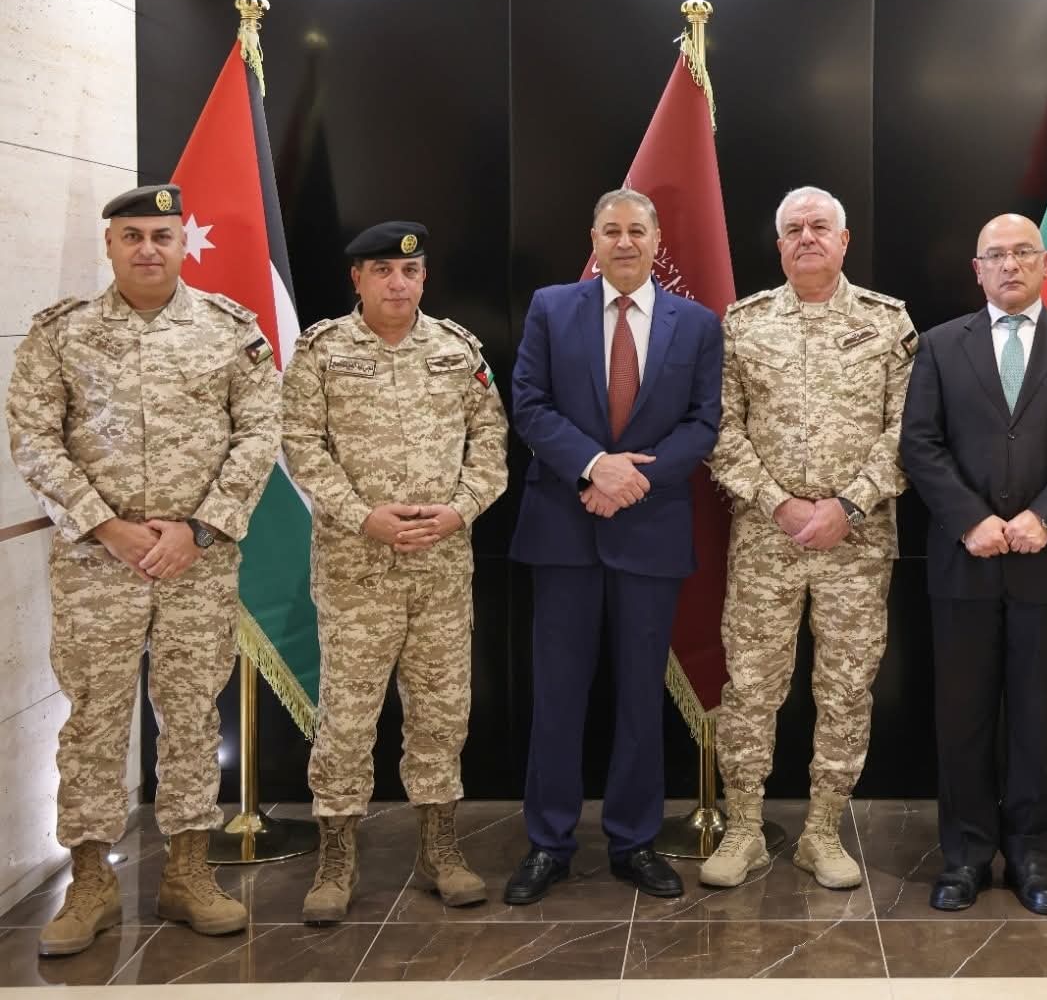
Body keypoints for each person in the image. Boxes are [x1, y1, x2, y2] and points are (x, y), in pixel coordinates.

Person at [6, 184, 281, 955]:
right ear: (110, 245)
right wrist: (108, 527)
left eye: (163, 235)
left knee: (191, 716)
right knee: (94, 719)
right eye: (132, 236)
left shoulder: (230, 330)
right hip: (97, 565)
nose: (148, 249)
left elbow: (261, 432)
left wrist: (200, 528)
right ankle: (91, 882)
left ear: (182, 242)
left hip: (198, 562)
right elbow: (33, 437)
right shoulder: (63, 333)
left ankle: (187, 873)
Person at [280, 221, 509, 924]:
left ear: (424, 277)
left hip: (439, 568)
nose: (397, 283)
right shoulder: (321, 352)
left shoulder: (457, 351)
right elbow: (299, 446)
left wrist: (460, 510)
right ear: (357, 279)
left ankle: (439, 848)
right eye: (381, 271)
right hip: (356, 570)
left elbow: (492, 442)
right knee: (347, 718)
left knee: (441, 714)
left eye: (409, 271)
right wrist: (362, 516)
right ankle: (336, 857)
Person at [900, 213, 1047, 914]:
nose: (1009, 264)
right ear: (977, 270)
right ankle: (965, 855)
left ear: (1045, 263)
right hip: (963, 559)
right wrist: (970, 519)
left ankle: (1031, 855)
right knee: (962, 715)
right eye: (995, 254)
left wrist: (1043, 516)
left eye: (1023, 252)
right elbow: (920, 443)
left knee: (1039, 716)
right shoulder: (940, 345)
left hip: (1045, 559)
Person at [504, 189, 722, 904]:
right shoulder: (551, 307)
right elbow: (529, 402)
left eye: (636, 230)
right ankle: (548, 843)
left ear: (657, 241)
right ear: (593, 241)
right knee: (557, 696)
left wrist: (631, 481)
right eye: (611, 230)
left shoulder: (697, 324)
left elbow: (704, 422)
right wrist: (595, 467)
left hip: (649, 532)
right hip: (563, 532)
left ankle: (634, 841)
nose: (624, 242)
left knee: (638, 697)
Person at [700, 187, 916, 890]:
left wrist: (848, 505)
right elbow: (719, 430)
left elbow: (909, 431)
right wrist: (779, 504)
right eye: (793, 229)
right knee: (750, 687)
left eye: (820, 226)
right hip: (766, 541)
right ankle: (743, 828)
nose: (806, 238)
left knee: (847, 687)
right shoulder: (744, 323)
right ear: (778, 246)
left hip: (857, 542)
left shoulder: (887, 321)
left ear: (844, 240)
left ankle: (822, 831)